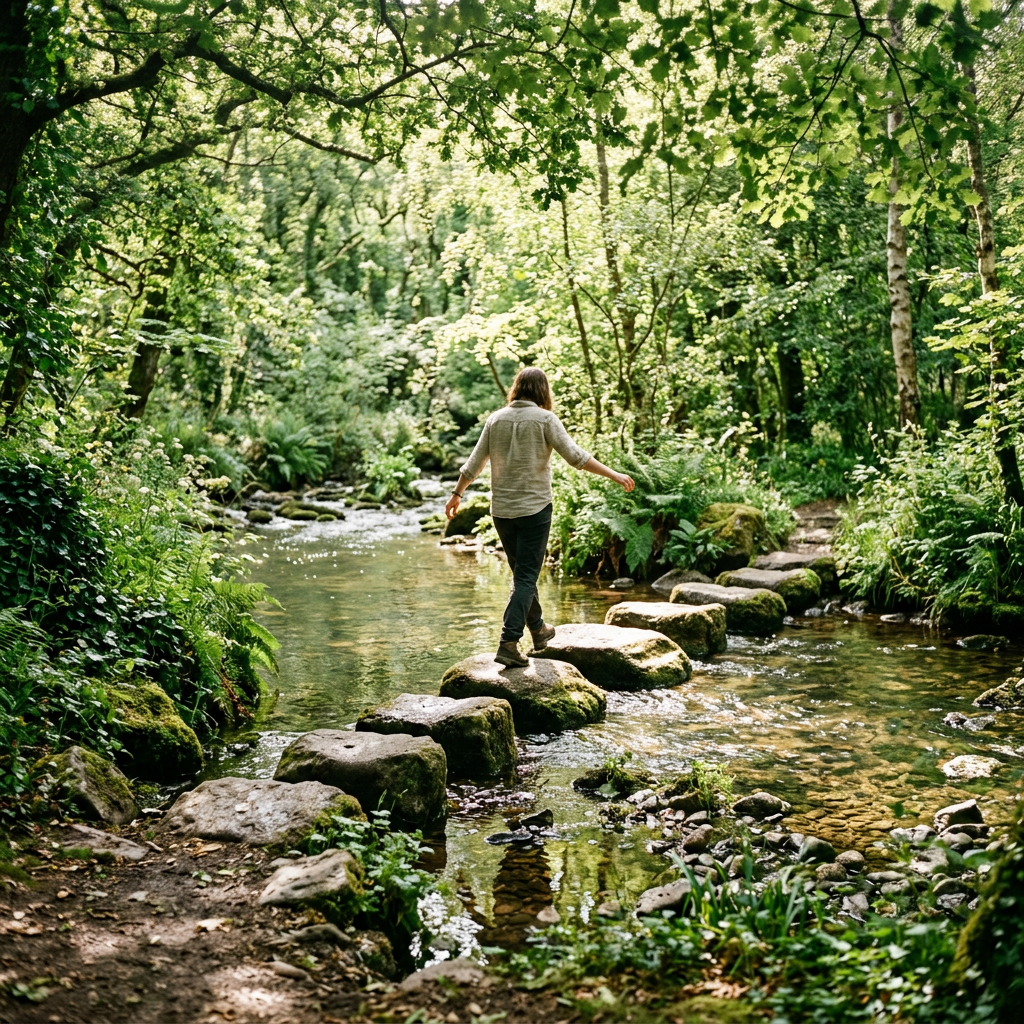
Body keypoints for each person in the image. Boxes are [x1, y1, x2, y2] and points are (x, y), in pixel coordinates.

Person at [445, 367, 635, 668]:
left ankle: (538, 630)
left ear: (516, 388)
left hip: (503, 512)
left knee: (523, 574)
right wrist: (614, 475)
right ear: (542, 391)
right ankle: (508, 642)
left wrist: (456, 494)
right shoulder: (545, 419)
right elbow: (577, 457)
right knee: (525, 577)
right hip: (534, 510)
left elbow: (474, 463)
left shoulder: (496, 419)